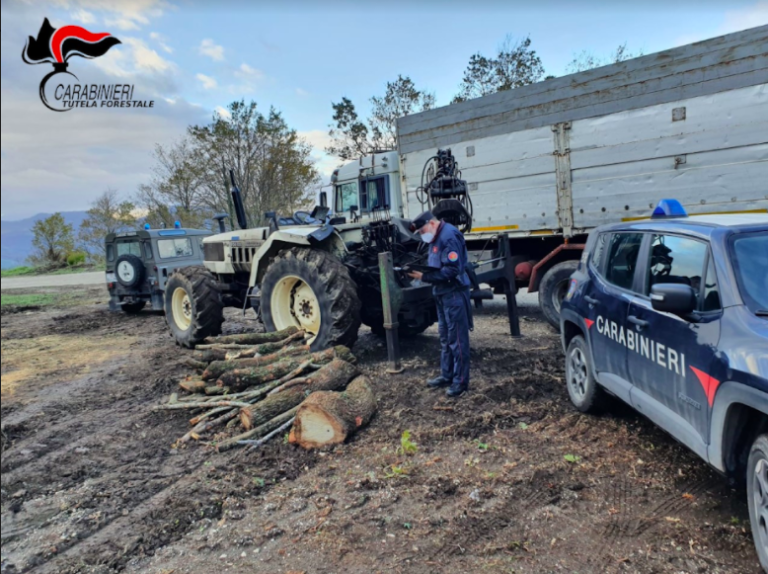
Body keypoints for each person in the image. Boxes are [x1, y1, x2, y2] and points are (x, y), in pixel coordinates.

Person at [407, 211, 473, 397]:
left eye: (422, 230)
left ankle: (460, 382)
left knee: (457, 340)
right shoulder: (435, 237)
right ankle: (447, 374)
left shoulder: (449, 236)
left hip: (454, 293)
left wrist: (424, 277)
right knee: (445, 337)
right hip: (442, 293)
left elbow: (453, 269)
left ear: (433, 223)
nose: (422, 234)